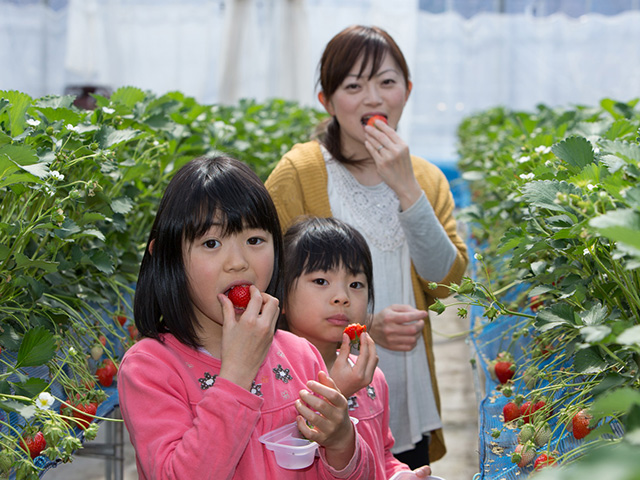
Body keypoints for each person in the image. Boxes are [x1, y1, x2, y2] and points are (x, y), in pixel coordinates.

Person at [265, 25, 469, 467]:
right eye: (354, 85)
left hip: (403, 389)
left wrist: (407, 190)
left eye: (387, 82)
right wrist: (364, 325)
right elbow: (267, 282)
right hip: (319, 391)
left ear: (407, 91)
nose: (374, 98)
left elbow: (447, 282)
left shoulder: (427, 179)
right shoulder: (299, 172)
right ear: (327, 100)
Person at [117, 155, 375, 479]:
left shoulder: (301, 356)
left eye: (255, 240)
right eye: (211, 243)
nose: (238, 262)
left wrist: (341, 443)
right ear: (168, 259)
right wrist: (237, 372)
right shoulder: (151, 368)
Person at [280, 216, 434, 480]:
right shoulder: (275, 378)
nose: (342, 297)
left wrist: (398, 474)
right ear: (281, 294)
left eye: (356, 285)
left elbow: (382, 454)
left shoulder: (371, 378)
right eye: (320, 281)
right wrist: (338, 390)